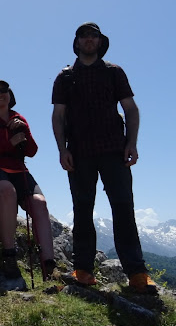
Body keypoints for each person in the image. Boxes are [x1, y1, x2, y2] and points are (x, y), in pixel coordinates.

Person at [51, 22, 156, 293]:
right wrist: (62, 149)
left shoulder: (114, 72)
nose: (88, 40)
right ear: (77, 42)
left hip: (114, 150)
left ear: (100, 42)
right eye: (84, 36)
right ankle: (83, 270)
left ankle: (137, 274)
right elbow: (58, 116)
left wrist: (132, 143)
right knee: (82, 211)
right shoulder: (65, 77)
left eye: (93, 36)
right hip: (79, 153)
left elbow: (130, 109)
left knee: (123, 209)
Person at [0, 80, 56, 281]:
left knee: (39, 203)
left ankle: (49, 265)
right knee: (7, 191)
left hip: (18, 170)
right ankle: (9, 256)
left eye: (4, 91)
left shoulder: (19, 119)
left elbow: (32, 151)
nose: (0, 94)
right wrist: (8, 143)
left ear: (10, 95)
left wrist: (23, 130)